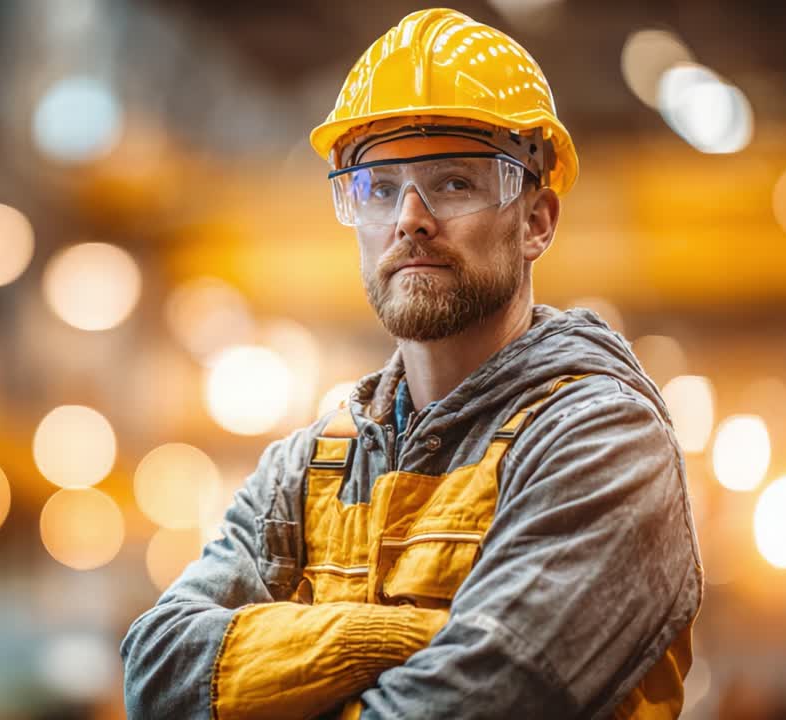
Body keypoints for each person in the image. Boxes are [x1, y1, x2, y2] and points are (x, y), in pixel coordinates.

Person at [120, 8, 702, 719]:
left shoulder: (602, 441)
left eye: (456, 182)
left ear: (538, 220)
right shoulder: (310, 467)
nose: (410, 218)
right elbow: (156, 676)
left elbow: (478, 702)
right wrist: (402, 638)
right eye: (378, 187)